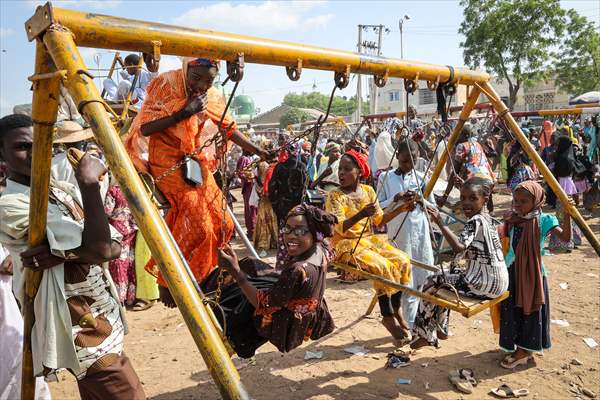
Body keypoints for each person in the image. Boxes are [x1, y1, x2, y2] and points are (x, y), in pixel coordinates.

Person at [0, 114, 144, 399]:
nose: (34, 152)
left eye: (40, 144)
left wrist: (68, 253)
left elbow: (113, 246)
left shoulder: (61, 190)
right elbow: (101, 249)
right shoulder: (10, 205)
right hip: (80, 329)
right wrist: (89, 186)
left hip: (105, 315)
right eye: (22, 147)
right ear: (1, 154)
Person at [125, 58, 270, 306]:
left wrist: (259, 151)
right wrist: (185, 112)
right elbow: (146, 128)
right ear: (186, 70)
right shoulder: (166, 84)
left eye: (208, 80)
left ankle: (208, 273)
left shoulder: (211, 97)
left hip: (194, 160)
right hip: (167, 161)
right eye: (196, 78)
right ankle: (169, 282)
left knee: (224, 222)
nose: (201, 85)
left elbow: (228, 128)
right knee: (200, 225)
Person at [215, 204, 336, 358]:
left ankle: (237, 340)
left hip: (287, 322)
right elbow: (332, 251)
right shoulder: (323, 249)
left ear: (315, 234)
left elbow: (264, 304)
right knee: (250, 263)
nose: (291, 236)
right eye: (288, 229)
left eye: (300, 231)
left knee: (239, 301)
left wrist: (236, 273)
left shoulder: (298, 270)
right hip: (305, 303)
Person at [325, 150, 413, 346]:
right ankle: (387, 315)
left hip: (369, 240)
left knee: (403, 261)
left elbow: (379, 219)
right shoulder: (335, 196)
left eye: (347, 169)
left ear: (359, 172)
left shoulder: (369, 191)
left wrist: (401, 208)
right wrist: (361, 214)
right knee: (382, 267)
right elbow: (337, 226)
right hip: (346, 244)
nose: (341, 173)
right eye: (340, 169)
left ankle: (396, 307)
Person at [411, 177, 508, 349]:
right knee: (448, 278)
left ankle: (425, 333)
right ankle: (441, 328)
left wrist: (440, 222)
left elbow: (458, 247)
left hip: (484, 284)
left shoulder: (475, 221)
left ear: (484, 200)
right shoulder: (489, 219)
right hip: (500, 282)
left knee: (431, 282)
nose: (466, 203)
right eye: (462, 198)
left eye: (472, 198)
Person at [499, 181, 572, 368]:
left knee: (529, 309)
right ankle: (519, 348)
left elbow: (564, 239)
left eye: (523, 201)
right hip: (512, 271)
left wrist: (568, 215)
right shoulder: (513, 217)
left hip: (533, 276)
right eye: (515, 200)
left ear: (536, 201)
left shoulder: (544, 220)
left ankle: (524, 351)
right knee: (512, 310)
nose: (518, 205)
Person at [377, 139, 435, 328]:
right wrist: (397, 198)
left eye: (413, 160)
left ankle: (422, 321)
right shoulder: (386, 178)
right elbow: (378, 207)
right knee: (405, 279)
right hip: (399, 233)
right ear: (397, 158)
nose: (409, 165)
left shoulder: (422, 177)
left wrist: (420, 200)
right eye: (404, 161)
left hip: (420, 232)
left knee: (424, 276)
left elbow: (433, 207)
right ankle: (409, 324)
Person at [438, 123, 496, 213]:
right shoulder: (477, 144)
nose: (455, 137)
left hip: (474, 183)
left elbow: (455, 173)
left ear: (465, 136)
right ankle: (491, 213)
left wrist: (445, 197)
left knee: (470, 201)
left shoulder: (461, 146)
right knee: (485, 196)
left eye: (457, 135)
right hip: (489, 179)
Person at [268, 143, 308, 268]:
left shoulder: (279, 167)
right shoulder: (302, 167)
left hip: (283, 210)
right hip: (298, 211)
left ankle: (282, 266)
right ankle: (297, 266)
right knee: (299, 236)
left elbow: (271, 190)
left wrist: (276, 208)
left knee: (284, 238)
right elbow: (305, 189)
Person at [104, 178, 138, 307]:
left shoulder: (113, 191)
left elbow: (107, 211)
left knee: (117, 264)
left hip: (116, 229)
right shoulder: (132, 190)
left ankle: (119, 298)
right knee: (129, 263)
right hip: (130, 228)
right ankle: (130, 296)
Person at [253, 141, 279, 256]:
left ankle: (265, 242)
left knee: (264, 218)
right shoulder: (272, 164)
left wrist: (259, 191)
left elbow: (259, 181)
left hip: (265, 195)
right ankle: (273, 241)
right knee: (271, 217)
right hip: (271, 195)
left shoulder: (262, 164)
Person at [236, 149, 258, 237]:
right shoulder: (243, 158)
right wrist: (251, 177)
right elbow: (240, 173)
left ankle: (253, 230)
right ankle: (251, 231)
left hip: (251, 187)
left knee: (253, 209)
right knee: (250, 209)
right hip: (248, 187)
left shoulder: (248, 158)